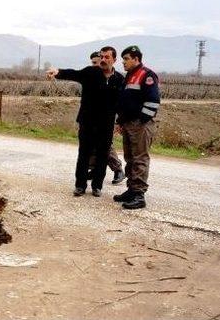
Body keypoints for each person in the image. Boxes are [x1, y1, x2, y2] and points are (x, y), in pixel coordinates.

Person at [46, 47, 124, 197]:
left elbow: (121, 103)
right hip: (87, 122)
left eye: (107, 57)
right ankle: (80, 185)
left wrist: (120, 121)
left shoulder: (119, 79)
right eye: (102, 56)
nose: (103, 59)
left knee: (102, 155)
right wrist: (58, 72)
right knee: (84, 154)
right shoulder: (91, 72)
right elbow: (74, 74)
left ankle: (97, 186)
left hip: (106, 125)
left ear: (114, 60)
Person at [113, 45, 161, 209]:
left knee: (140, 158)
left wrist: (141, 121)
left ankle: (139, 195)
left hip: (140, 125)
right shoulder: (130, 76)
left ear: (136, 59)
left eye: (126, 59)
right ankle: (131, 190)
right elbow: (125, 102)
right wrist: (121, 121)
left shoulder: (146, 75)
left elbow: (153, 101)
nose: (123, 62)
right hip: (128, 124)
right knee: (130, 158)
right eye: (123, 59)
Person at [87, 52, 125, 185]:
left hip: (107, 117)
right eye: (93, 63)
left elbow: (121, 102)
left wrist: (119, 121)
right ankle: (93, 169)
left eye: (97, 62)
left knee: (106, 145)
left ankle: (118, 169)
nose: (95, 65)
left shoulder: (116, 78)